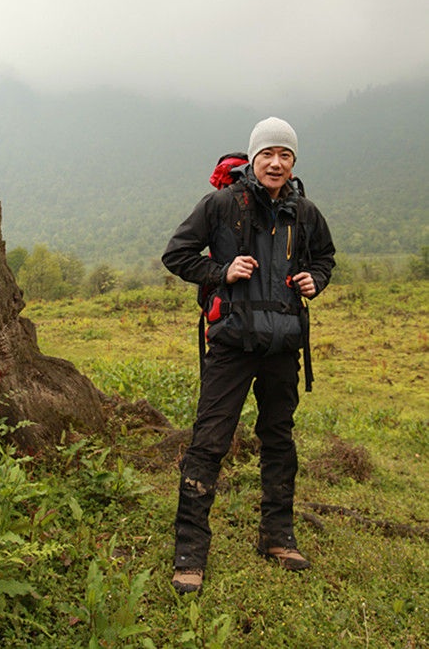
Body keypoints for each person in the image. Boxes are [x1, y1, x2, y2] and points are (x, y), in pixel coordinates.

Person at [162, 117, 335, 594]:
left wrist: (314, 281)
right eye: (268, 155)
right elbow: (176, 255)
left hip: (282, 345)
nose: (276, 163)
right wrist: (221, 271)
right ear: (253, 158)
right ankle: (190, 553)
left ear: (293, 162)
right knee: (209, 442)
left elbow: (325, 259)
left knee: (279, 440)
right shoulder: (221, 204)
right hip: (234, 343)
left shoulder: (306, 213)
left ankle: (276, 537)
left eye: (285, 155)